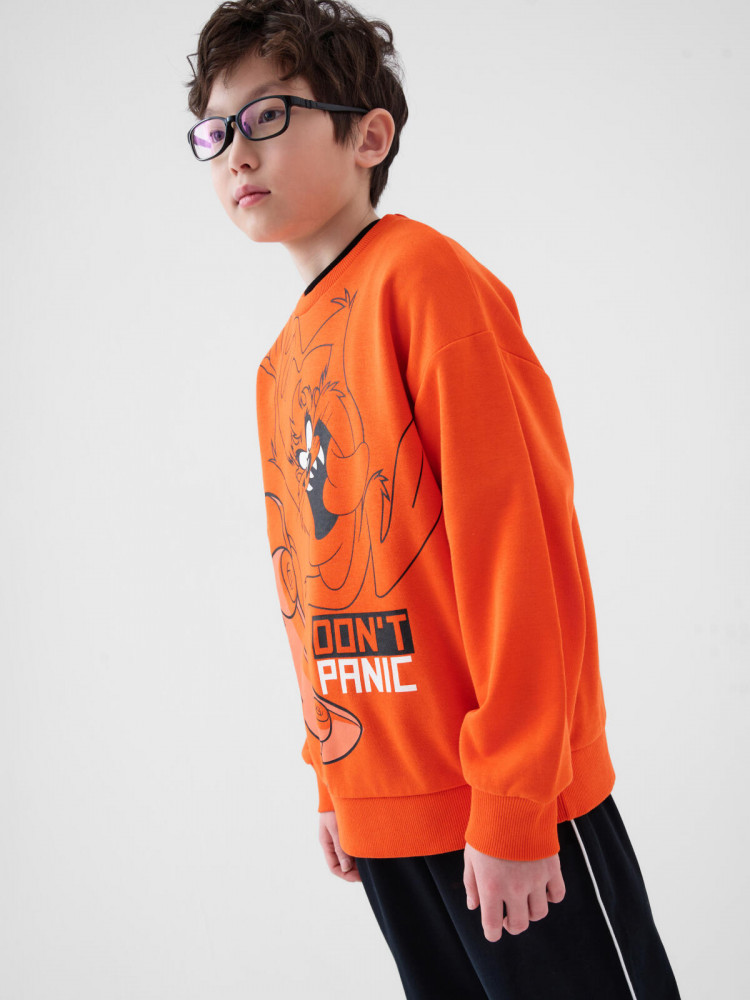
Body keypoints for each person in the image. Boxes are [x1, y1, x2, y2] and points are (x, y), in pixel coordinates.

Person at [186, 2, 680, 996]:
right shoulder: (279, 367)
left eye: (268, 115)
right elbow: (308, 587)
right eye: (215, 129)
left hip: (507, 809)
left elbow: (518, 548)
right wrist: (336, 776)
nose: (237, 149)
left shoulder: (425, 282)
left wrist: (513, 801)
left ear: (368, 136)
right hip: (389, 812)